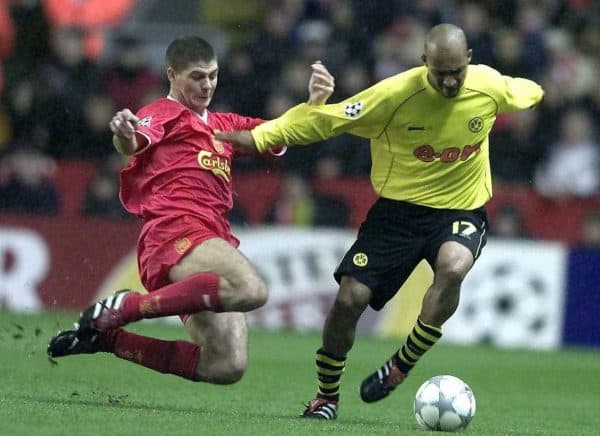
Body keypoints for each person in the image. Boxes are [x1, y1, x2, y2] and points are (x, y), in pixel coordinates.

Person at [216, 23, 544, 419]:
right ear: (424, 63)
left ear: (469, 60)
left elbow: (526, 90)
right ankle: (326, 397)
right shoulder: (394, 95)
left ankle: (402, 363)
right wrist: (263, 137)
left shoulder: (487, 85)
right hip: (397, 215)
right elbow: (328, 120)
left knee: (454, 266)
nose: (450, 81)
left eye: (457, 70)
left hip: (461, 209)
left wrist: (544, 90)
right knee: (350, 299)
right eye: (440, 72)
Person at [47, 36, 335, 386]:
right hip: (174, 230)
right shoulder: (161, 112)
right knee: (251, 289)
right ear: (172, 74)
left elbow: (280, 134)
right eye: (197, 76)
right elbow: (134, 140)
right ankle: (126, 307)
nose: (207, 84)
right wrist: (123, 134)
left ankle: (106, 338)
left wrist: (313, 104)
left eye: (213, 75)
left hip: (209, 239)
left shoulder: (225, 125)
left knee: (226, 365)